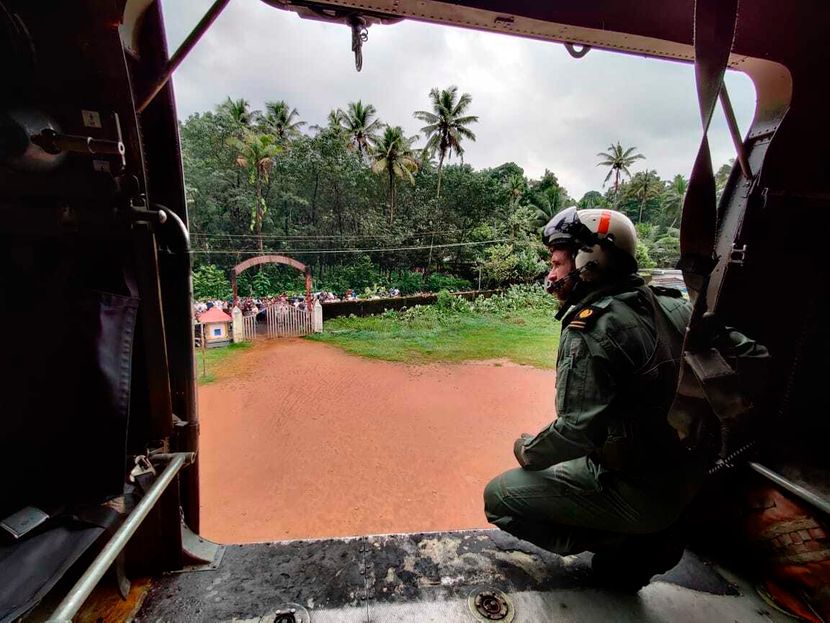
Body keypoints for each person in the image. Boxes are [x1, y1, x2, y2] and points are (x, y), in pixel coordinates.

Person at [483, 206, 705, 590]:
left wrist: (527, 450)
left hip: (635, 486)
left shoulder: (591, 328)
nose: (551, 274)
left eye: (557, 263)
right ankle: (649, 537)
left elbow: (574, 432)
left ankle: (626, 541)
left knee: (500, 496)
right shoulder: (674, 306)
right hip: (682, 481)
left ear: (590, 261)